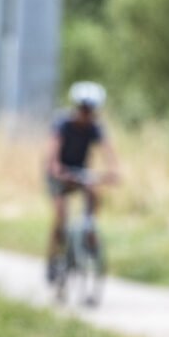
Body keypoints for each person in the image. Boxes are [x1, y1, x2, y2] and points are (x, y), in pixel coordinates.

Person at [44, 81, 120, 281]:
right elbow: (53, 152)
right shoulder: (63, 124)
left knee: (94, 192)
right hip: (60, 172)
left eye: (91, 110)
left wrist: (113, 171)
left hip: (80, 171)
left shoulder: (95, 128)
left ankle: (89, 231)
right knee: (61, 214)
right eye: (83, 109)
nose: (87, 114)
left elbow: (107, 150)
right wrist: (56, 169)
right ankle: (54, 258)